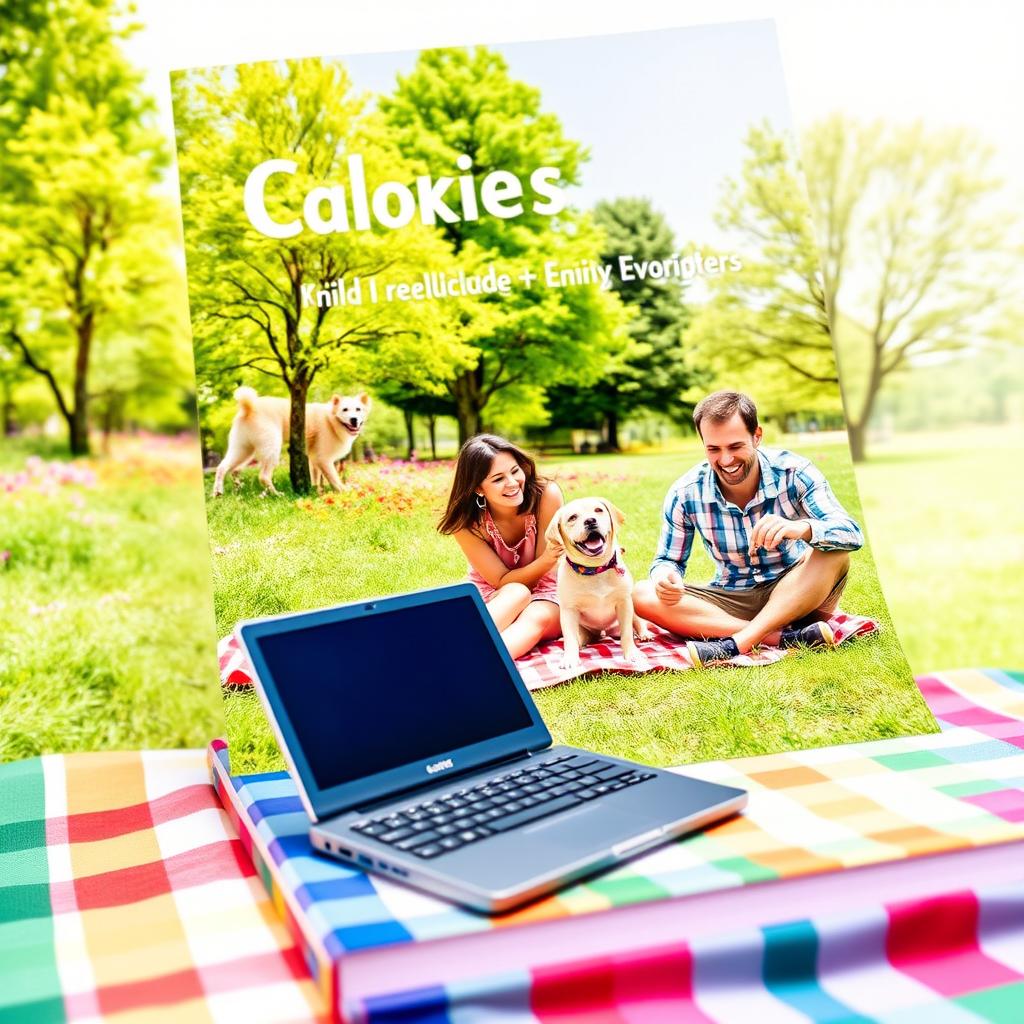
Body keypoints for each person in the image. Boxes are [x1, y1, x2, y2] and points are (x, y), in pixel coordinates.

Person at [632, 391, 863, 667]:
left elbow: (850, 533)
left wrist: (800, 528)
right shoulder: (686, 492)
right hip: (732, 597)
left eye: (735, 446)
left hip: (797, 591)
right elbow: (667, 560)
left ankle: (737, 643)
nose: (726, 460)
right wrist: (665, 576)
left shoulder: (794, 472)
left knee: (834, 553)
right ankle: (782, 638)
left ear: (757, 436)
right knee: (641, 593)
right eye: (713, 449)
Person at [438, 434, 563, 659]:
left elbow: (547, 574)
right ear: (478, 488)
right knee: (517, 592)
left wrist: (547, 563)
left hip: (548, 590)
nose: (513, 483)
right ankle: (452, 652)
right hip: (497, 595)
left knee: (537, 615)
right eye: (498, 479)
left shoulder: (546, 495)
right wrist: (546, 559)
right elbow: (501, 581)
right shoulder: (466, 523)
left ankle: (478, 663)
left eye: (515, 471)